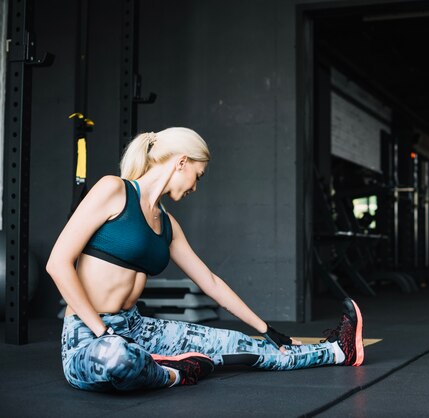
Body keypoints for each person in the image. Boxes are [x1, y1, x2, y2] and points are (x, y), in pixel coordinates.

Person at [46, 127, 364, 392]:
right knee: (116, 358)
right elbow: (58, 263)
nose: (195, 186)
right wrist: (102, 332)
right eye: (198, 175)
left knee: (239, 344)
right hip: (89, 338)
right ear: (181, 162)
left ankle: (336, 352)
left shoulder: (168, 225)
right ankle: (176, 374)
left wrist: (265, 328)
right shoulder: (113, 190)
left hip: (137, 329)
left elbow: (210, 282)